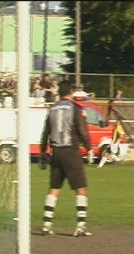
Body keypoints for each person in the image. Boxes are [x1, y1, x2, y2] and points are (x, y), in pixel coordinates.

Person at [39, 80, 94, 237]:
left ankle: (46, 224)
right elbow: (82, 130)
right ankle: (81, 225)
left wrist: (43, 151)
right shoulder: (76, 108)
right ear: (71, 92)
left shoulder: (52, 109)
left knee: (54, 189)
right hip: (71, 151)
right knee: (80, 189)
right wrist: (89, 148)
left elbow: (45, 132)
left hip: (56, 152)